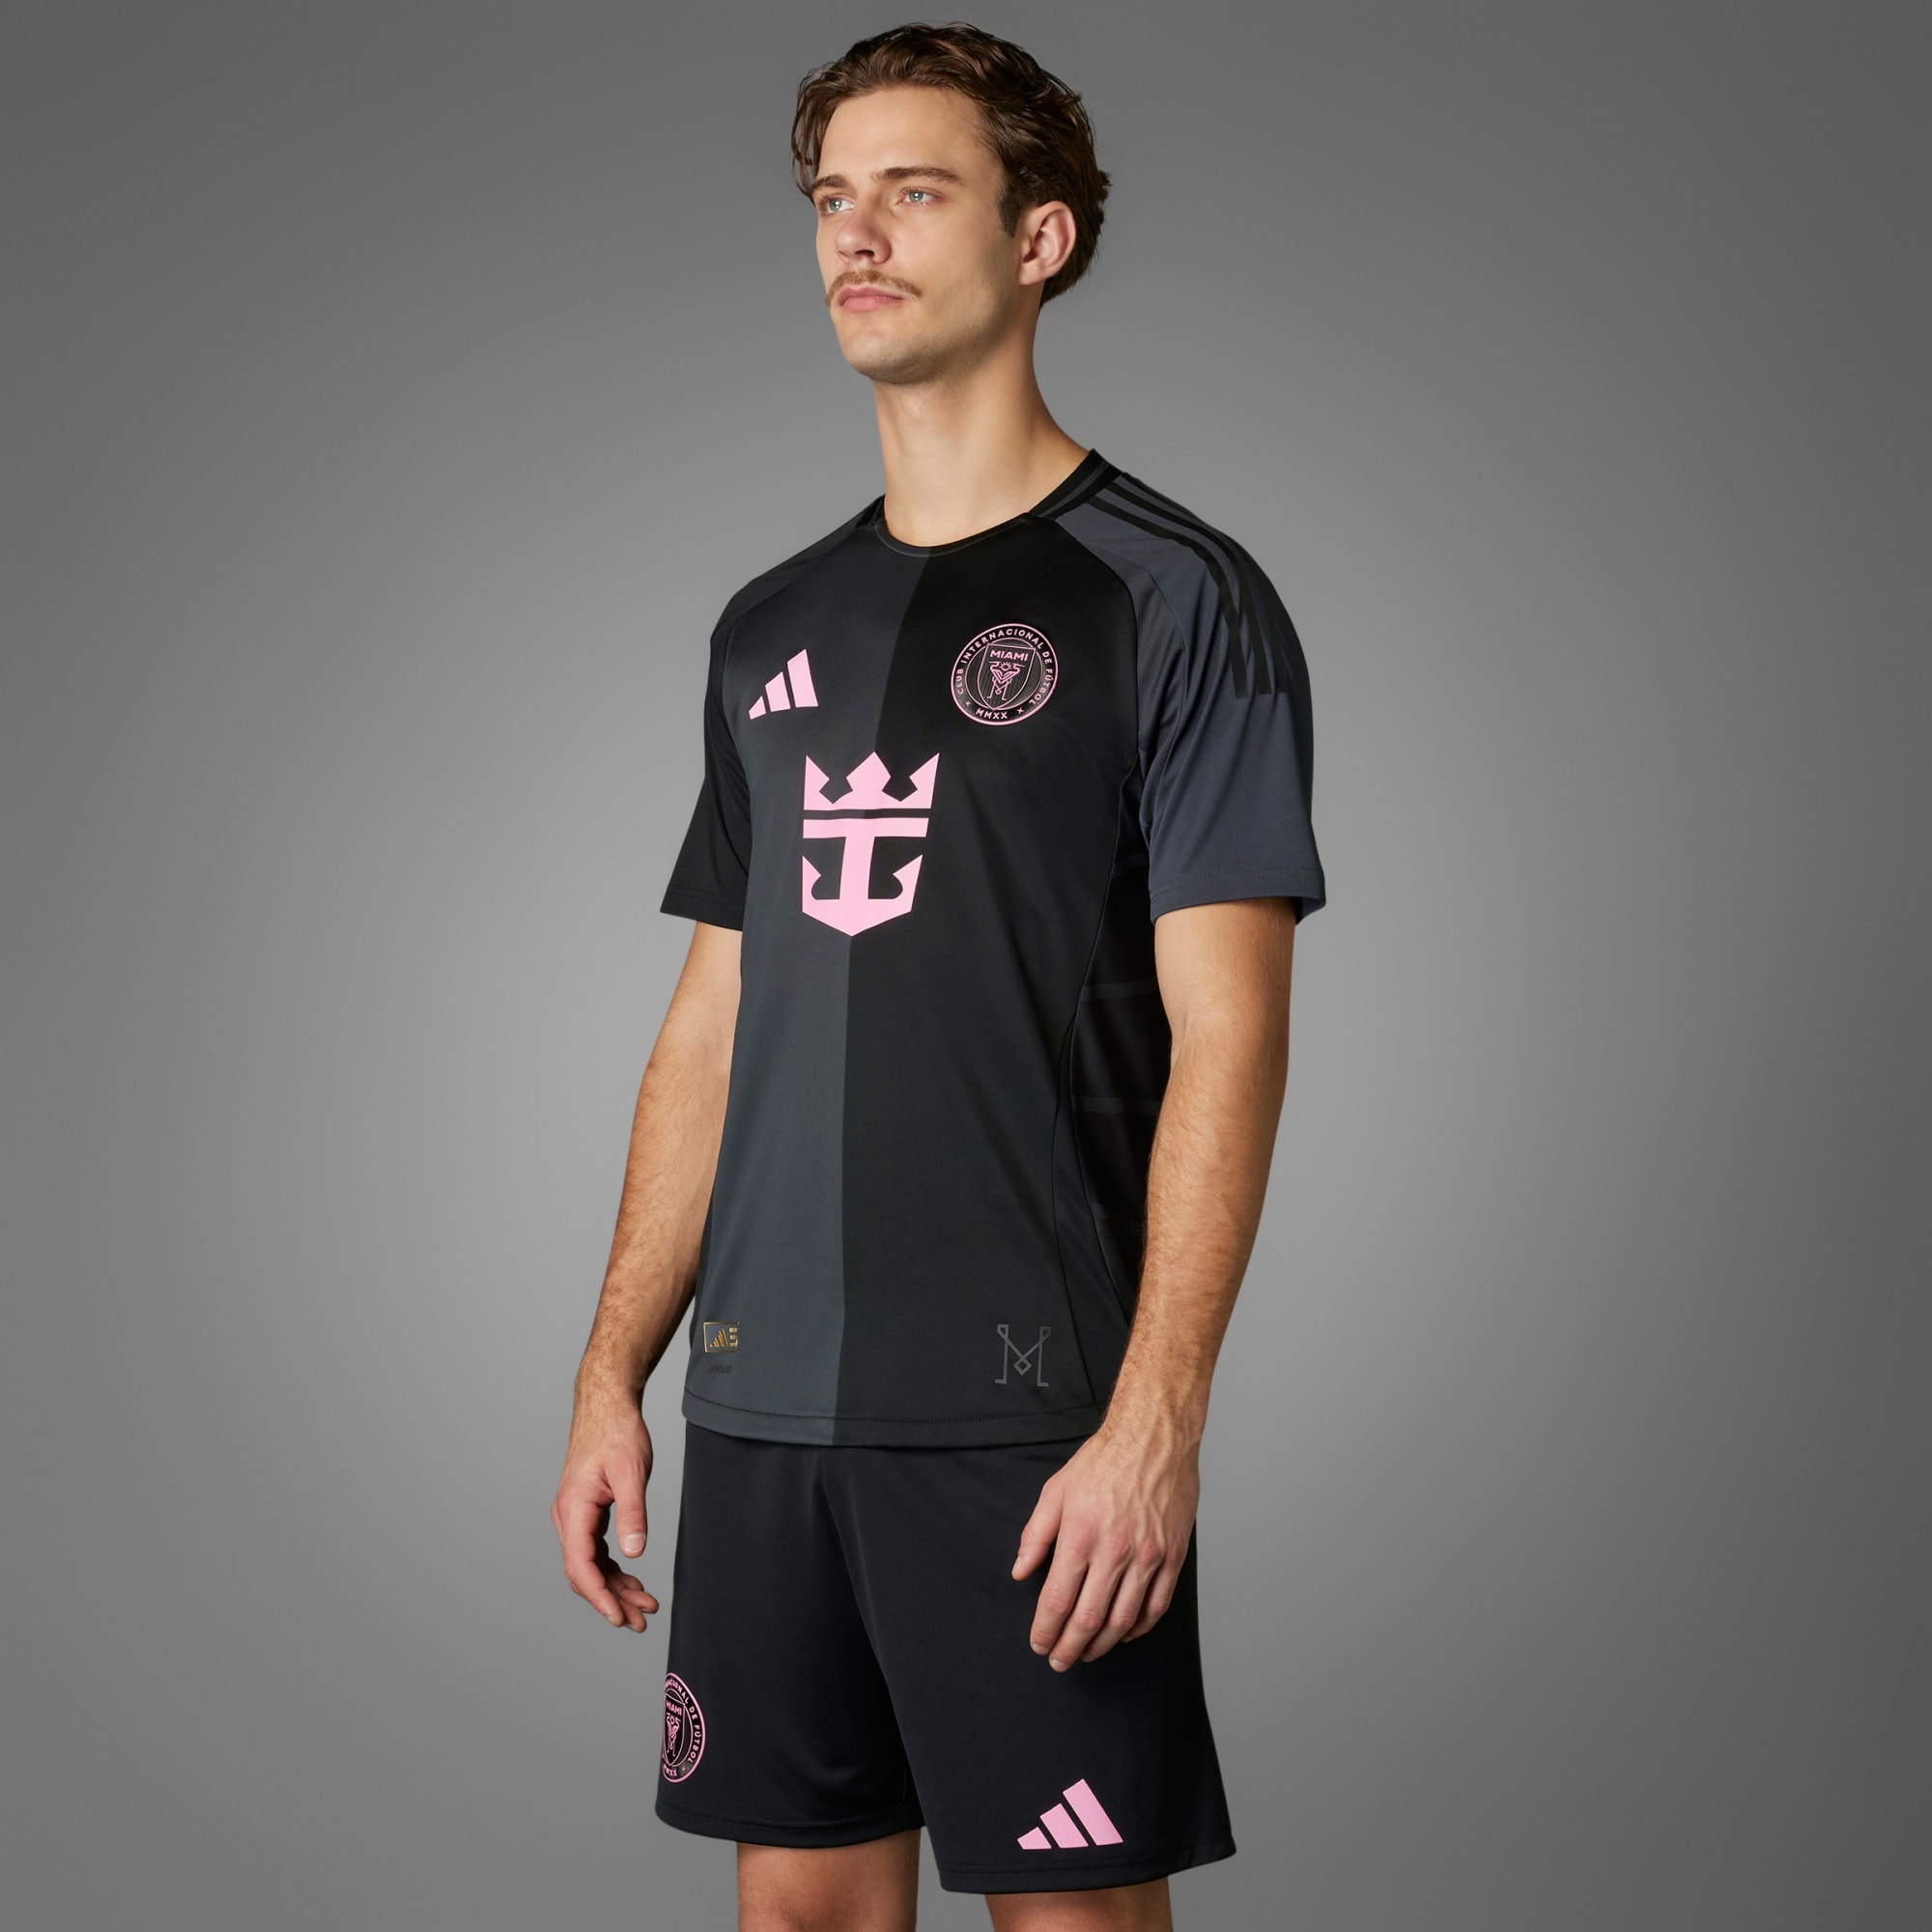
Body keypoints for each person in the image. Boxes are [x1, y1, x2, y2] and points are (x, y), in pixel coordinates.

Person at [552, 22, 1325, 1931]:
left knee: (1071, 1918)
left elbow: (1230, 1033)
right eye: (834, 196)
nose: (857, 234)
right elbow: (712, 1028)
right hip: (764, 1415)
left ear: (1039, 238)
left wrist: (1156, 1423)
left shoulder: (1172, 597)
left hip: (1026, 1420)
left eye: (916, 191)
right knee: (797, 1915)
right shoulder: (771, 625)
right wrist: (611, 1375)